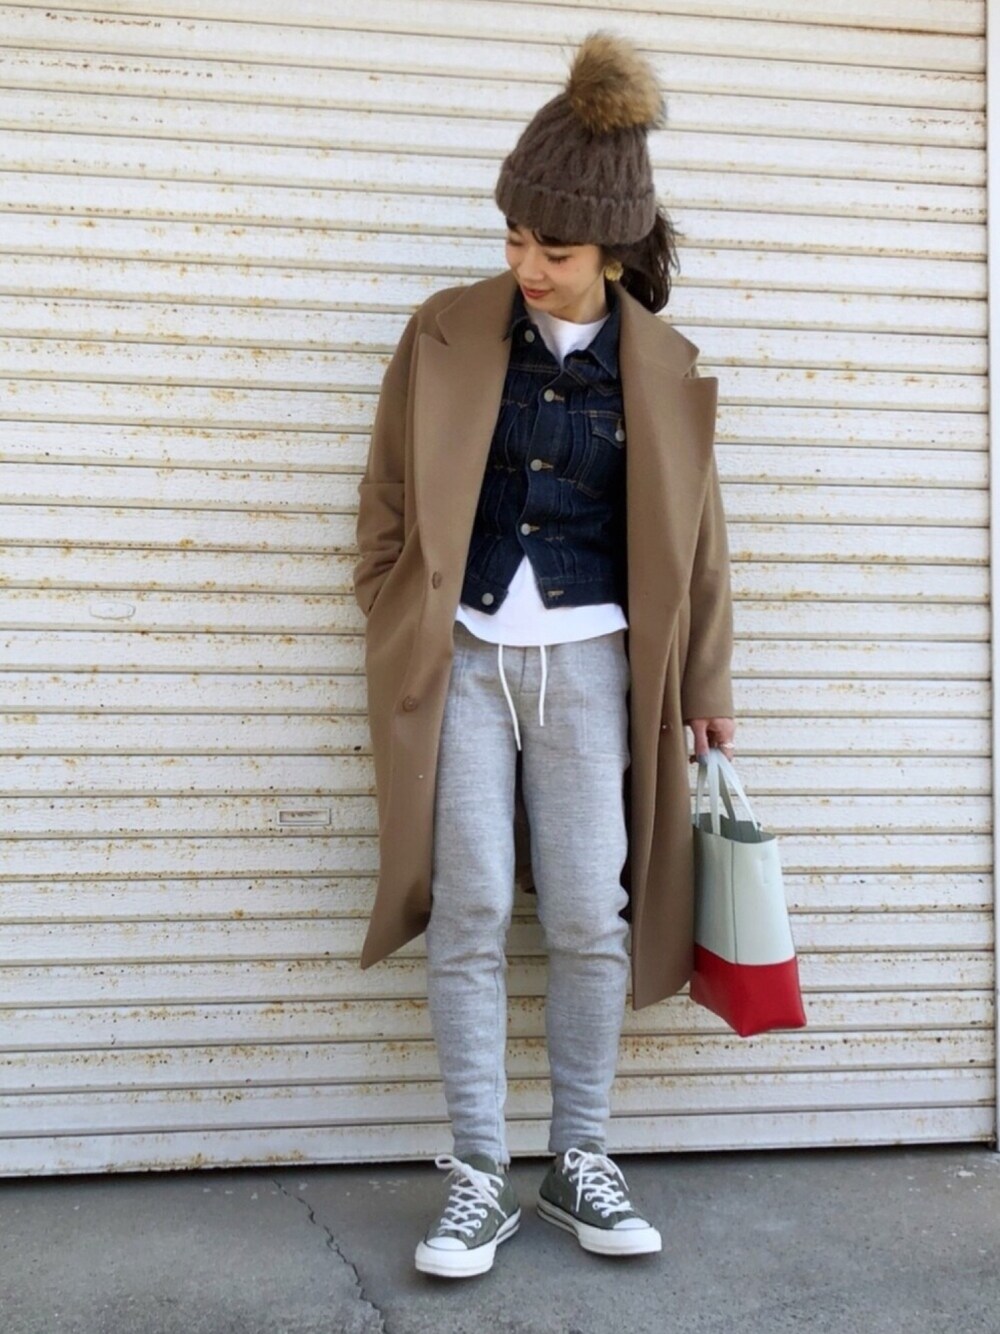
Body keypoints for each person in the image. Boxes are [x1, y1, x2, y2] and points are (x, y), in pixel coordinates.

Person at [353, 31, 736, 1279]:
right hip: (460, 658)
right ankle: (477, 1170)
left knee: (586, 913)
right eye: (514, 236)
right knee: (466, 906)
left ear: (611, 248)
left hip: (592, 669)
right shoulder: (445, 331)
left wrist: (705, 685)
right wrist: (393, 611)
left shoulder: (660, 369)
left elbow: (700, 543)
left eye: (553, 248)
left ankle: (580, 1157)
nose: (525, 264)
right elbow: (386, 503)